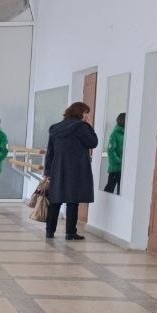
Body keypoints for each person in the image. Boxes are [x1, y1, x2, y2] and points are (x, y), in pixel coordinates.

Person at [44, 101, 99, 241]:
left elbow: (50, 152)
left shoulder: (55, 128)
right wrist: (89, 125)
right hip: (76, 170)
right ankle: (70, 233)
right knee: (73, 201)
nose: (87, 116)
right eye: (86, 113)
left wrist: (48, 172)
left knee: (55, 200)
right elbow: (93, 142)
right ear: (80, 113)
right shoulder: (81, 127)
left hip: (57, 168)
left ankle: (49, 231)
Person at [103, 112, 125, 194]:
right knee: (110, 187)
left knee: (121, 190)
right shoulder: (115, 134)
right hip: (115, 168)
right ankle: (104, 201)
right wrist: (118, 161)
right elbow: (111, 150)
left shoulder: (127, 134)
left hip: (123, 168)